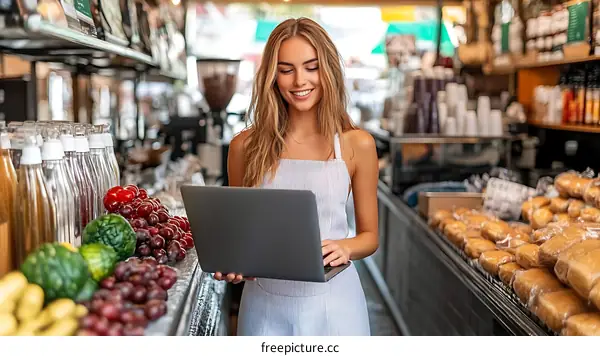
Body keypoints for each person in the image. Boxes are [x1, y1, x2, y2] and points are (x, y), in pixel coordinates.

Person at [217, 17, 379, 336]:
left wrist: (346, 247)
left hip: (337, 305)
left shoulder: (357, 144)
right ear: (272, 76)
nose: (299, 81)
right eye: (286, 69)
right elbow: (242, 236)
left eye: (311, 66)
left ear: (328, 69)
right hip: (263, 308)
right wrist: (234, 263)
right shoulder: (243, 146)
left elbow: (370, 236)